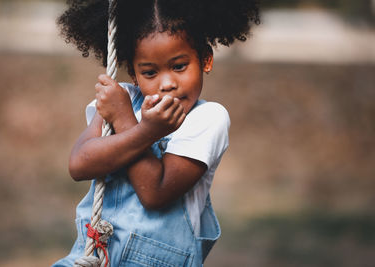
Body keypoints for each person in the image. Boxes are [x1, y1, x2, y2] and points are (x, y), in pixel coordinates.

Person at [52, 0, 259, 266]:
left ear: (205, 59)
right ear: (134, 74)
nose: (167, 84)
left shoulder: (207, 119)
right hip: (93, 256)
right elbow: (79, 165)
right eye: (150, 72)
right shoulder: (123, 98)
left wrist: (138, 126)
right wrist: (136, 122)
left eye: (179, 66)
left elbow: (155, 194)